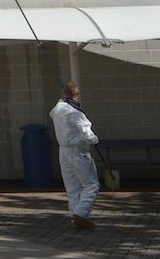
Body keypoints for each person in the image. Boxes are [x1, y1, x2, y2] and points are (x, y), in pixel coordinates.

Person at [49, 81, 100, 228]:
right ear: (77, 93)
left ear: (65, 94)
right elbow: (88, 134)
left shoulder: (58, 109)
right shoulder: (75, 113)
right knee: (91, 184)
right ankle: (81, 213)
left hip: (63, 151)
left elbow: (53, 112)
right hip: (77, 151)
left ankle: (76, 214)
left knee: (72, 186)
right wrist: (95, 140)